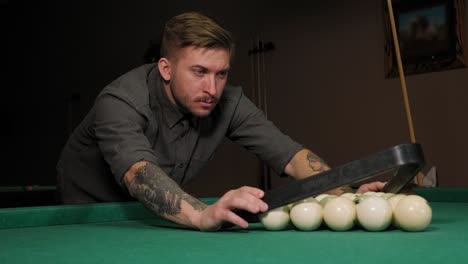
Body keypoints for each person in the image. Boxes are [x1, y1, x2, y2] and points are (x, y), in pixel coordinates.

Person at [56, 11, 384, 231]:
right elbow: (139, 174)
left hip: (160, 213)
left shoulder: (228, 102)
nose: (212, 89)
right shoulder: (120, 100)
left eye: (221, 74)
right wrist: (201, 214)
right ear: (166, 69)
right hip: (89, 214)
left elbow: (292, 156)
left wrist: (347, 192)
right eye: (199, 72)